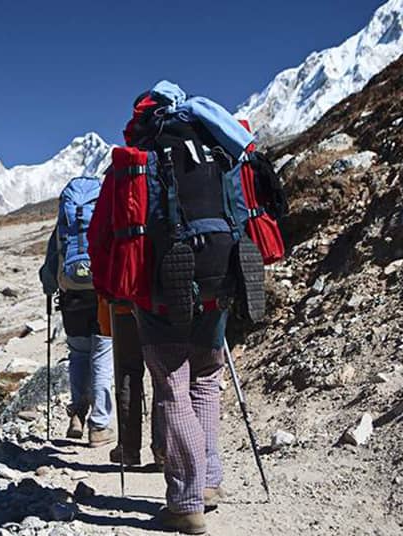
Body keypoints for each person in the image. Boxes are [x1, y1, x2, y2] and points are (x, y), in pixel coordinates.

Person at [88, 80, 270, 534]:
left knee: (172, 384)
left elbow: (102, 232)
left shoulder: (140, 156)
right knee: (206, 377)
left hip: (162, 281)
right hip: (225, 267)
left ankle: (185, 502)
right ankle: (209, 482)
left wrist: (113, 288)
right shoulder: (218, 145)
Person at [39, 176, 116, 447]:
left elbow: (50, 268)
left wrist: (50, 289)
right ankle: (99, 426)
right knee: (102, 356)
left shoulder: (64, 227)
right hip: (101, 296)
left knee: (79, 355)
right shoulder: (105, 218)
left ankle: (77, 414)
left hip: (71, 298)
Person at [96, 297, 164, 467]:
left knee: (128, 373)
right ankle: (163, 448)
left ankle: (128, 449)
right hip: (161, 308)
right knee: (163, 375)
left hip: (123, 308)